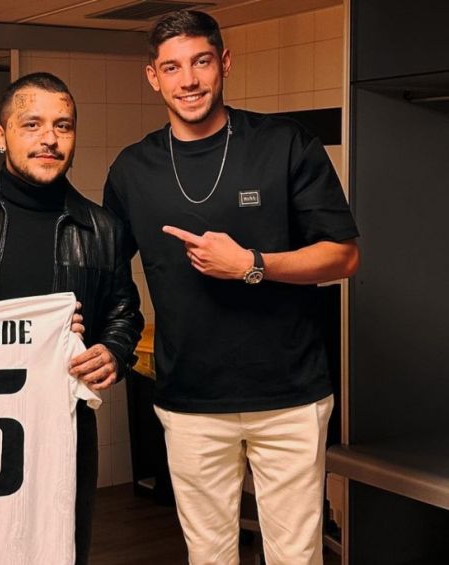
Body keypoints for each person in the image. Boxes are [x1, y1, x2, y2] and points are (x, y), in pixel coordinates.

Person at [103, 11, 360, 565]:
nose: (188, 80)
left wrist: (251, 264)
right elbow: (106, 274)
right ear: (153, 77)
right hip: (190, 401)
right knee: (209, 556)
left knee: (296, 556)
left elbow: (344, 255)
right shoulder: (132, 169)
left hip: (289, 397)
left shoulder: (283, 144)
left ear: (224, 63)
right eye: (172, 67)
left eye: (200, 62)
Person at [0, 72, 144, 565]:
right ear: (2, 136)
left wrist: (113, 351)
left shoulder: (102, 229)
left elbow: (124, 312)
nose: (49, 139)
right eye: (32, 124)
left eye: (63, 126)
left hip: (61, 430)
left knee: (59, 549)